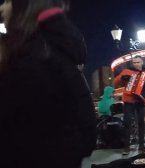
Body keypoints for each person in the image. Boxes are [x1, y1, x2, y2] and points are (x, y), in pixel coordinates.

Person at [0, 1, 97, 168]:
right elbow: (84, 116)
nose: (1, 7)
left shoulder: (26, 56)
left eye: (8, 1)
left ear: (22, 6)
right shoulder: (55, 49)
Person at [114, 55, 145, 154]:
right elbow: (115, 82)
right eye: (134, 62)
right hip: (128, 101)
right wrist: (122, 79)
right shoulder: (126, 71)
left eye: (138, 62)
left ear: (142, 63)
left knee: (141, 122)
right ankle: (126, 147)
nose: (136, 64)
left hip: (140, 101)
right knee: (127, 123)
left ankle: (141, 145)